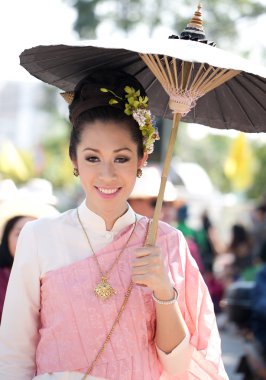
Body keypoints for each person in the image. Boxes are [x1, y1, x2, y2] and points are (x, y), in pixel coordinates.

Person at [0, 69, 228, 379]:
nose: (107, 175)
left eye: (121, 158)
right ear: (74, 160)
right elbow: (14, 356)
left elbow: (177, 368)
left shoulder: (167, 242)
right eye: (93, 158)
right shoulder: (39, 237)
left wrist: (163, 289)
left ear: (141, 160)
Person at [0, 215, 35, 322]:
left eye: (35, 234)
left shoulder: (55, 279)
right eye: (19, 233)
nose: (27, 240)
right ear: (7, 238)